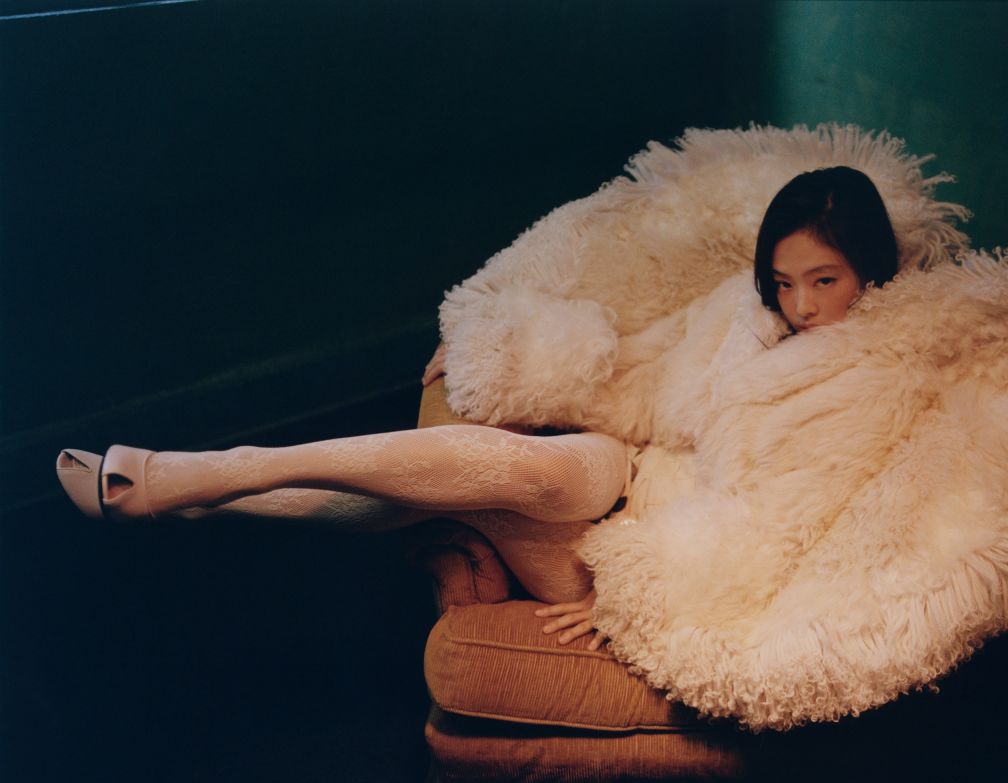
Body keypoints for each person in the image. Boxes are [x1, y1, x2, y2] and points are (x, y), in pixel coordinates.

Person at [56, 166, 899, 650]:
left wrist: (641, 598)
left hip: (648, 543)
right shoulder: (737, 312)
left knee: (480, 488)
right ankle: (215, 477)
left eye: (824, 280)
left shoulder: (878, 376)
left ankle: (199, 489)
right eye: (784, 282)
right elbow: (628, 360)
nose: (802, 305)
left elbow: (782, 529)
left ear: (870, 267)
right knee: (542, 469)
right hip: (623, 463)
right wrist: (490, 351)